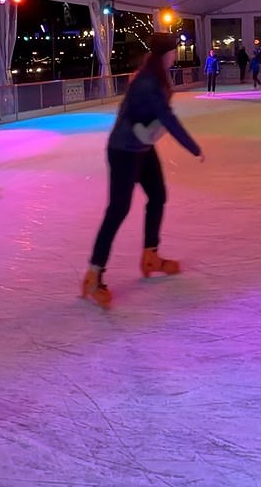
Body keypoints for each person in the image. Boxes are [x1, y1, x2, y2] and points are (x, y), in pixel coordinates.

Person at [82, 34, 203, 309]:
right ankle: (94, 273)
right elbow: (164, 116)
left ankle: (150, 255)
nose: (175, 55)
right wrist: (193, 147)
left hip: (142, 148)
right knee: (118, 210)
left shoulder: (155, 76)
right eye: (174, 51)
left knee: (158, 196)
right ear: (166, 54)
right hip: (124, 151)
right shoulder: (148, 80)